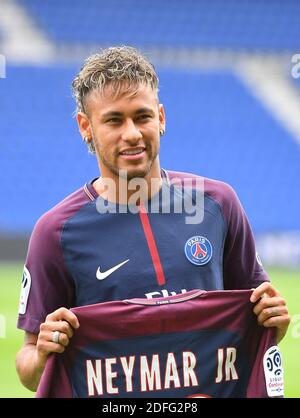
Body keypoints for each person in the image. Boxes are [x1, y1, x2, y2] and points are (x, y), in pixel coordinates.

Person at [16, 46, 290, 392]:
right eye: (114, 120)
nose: (132, 133)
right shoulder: (56, 232)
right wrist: (42, 356)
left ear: (161, 117)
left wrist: (274, 324)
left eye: (142, 116)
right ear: (86, 126)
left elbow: (253, 325)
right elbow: (28, 367)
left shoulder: (218, 204)